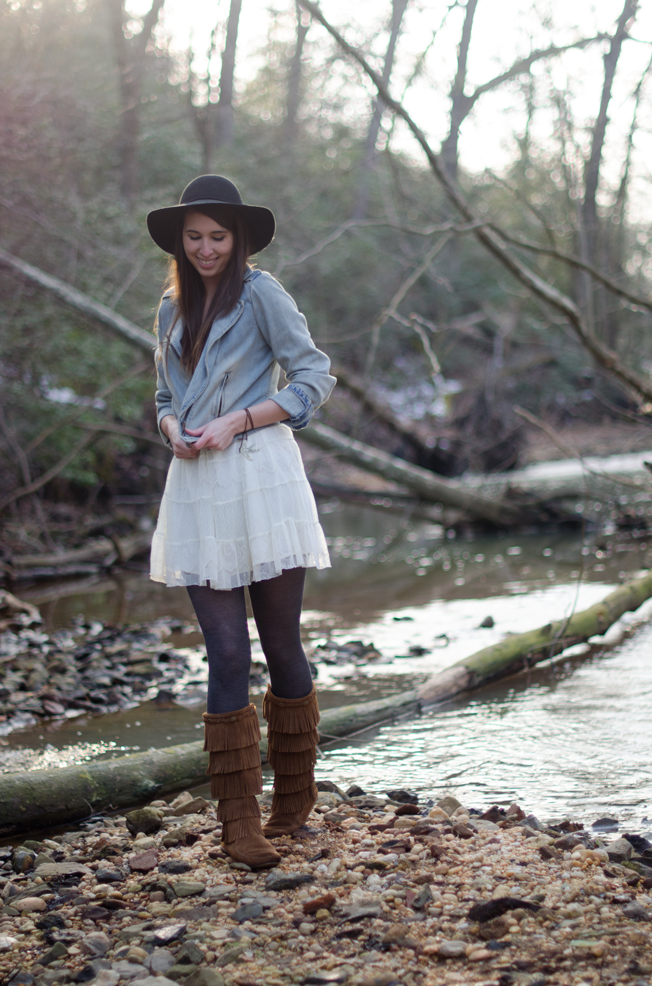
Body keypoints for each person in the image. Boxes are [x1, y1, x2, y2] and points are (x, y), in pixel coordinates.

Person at [146, 175, 336, 868]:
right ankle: (237, 823)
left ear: (239, 239)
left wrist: (239, 418)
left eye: (217, 237)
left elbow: (314, 376)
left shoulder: (261, 293)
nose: (205, 249)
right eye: (194, 237)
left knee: (281, 644)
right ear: (179, 241)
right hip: (197, 486)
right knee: (226, 652)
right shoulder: (168, 310)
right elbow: (164, 395)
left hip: (261, 475)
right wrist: (172, 426)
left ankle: (295, 797)